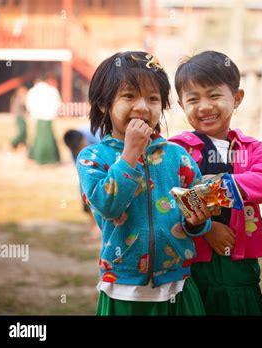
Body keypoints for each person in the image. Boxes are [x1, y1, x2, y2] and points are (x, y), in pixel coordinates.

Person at [76, 51, 213, 315]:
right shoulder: (92, 157)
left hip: (177, 284)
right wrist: (130, 155)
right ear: (104, 104)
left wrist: (197, 220)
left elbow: (196, 213)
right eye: (129, 96)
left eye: (153, 99)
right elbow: (108, 206)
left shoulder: (178, 157)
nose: (142, 107)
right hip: (123, 287)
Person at [170, 51, 262, 315]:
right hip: (192, 263)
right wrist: (207, 227)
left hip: (239, 263)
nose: (204, 106)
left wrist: (214, 186)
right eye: (193, 99)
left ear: (237, 98)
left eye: (214, 95)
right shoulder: (177, 150)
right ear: (182, 106)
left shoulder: (251, 148)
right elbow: (172, 198)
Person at [64, 126, 101, 242]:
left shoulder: (97, 135)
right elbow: (82, 174)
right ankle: (94, 227)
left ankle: (100, 229)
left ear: (84, 138)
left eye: (82, 145)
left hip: (106, 168)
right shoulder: (75, 153)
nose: (82, 149)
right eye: (78, 149)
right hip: (90, 172)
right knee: (86, 195)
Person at [26, 76, 61, 164]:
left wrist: (32, 113)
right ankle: (52, 157)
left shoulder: (32, 91)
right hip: (49, 116)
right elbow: (58, 103)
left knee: (39, 137)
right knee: (49, 137)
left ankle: (40, 158)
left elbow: (28, 103)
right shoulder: (52, 90)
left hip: (38, 116)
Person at [10, 86, 28, 151]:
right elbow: (24, 104)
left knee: (24, 132)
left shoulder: (15, 97)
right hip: (19, 116)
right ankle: (12, 143)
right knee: (22, 131)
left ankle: (21, 146)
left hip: (21, 116)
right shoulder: (19, 98)